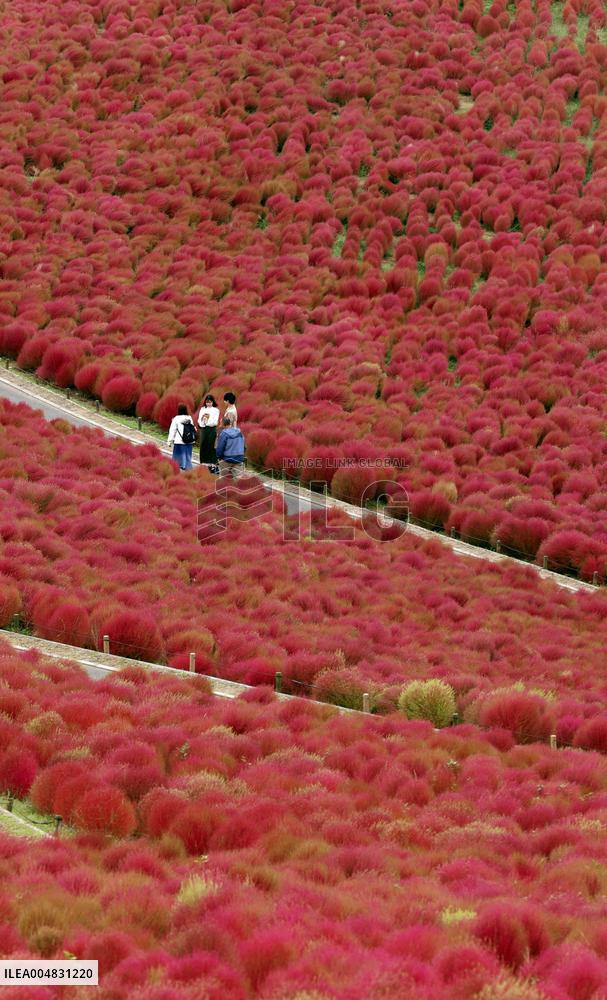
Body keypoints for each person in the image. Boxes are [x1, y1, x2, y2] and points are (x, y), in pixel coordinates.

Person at [167, 404, 195, 471]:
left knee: (177, 460)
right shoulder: (189, 418)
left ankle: (178, 470)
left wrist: (169, 441)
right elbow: (192, 428)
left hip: (179, 441)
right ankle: (188, 471)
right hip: (189, 441)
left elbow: (172, 430)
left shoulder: (176, 418)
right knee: (188, 458)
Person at [197, 393, 220, 470]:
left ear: (213, 402)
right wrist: (202, 423)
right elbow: (199, 419)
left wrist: (207, 422)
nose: (208, 403)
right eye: (207, 402)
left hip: (212, 429)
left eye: (210, 402)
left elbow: (215, 421)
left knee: (211, 445)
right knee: (203, 444)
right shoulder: (203, 409)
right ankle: (203, 462)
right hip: (204, 429)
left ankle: (212, 463)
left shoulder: (216, 410)